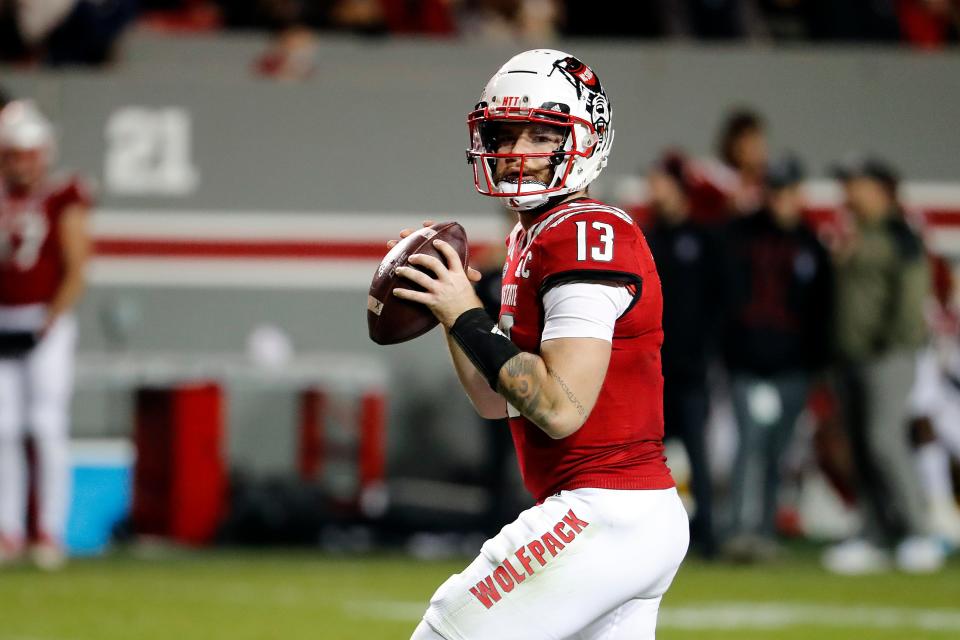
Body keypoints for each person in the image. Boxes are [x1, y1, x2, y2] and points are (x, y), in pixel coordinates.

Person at [388, 49, 688, 640]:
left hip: (606, 510)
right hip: (623, 517)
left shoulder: (585, 234)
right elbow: (495, 399)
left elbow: (556, 407)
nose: (517, 150)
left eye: (540, 134)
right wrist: (452, 309)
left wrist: (468, 316)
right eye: (506, 133)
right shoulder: (538, 234)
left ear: (585, 139)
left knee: (444, 632)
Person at [823, 155, 942, 574]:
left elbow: (912, 298)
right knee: (859, 447)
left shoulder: (899, 235)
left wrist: (891, 343)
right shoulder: (854, 233)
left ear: (880, 190)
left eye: (857, 184)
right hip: (851, 357)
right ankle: (873, 532)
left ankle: (919, 531)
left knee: (883, 440)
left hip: (886, 356)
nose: (848, 193)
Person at [719, 154, 834, 561]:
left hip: (792, 368)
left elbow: (821, 310)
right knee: (747, 448)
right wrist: (732, 353)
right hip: (748, 363)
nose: (782, 198)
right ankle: (737, 531)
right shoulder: (739, 236)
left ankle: (763, 531)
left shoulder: (811, 244)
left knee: (776, 454)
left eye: (788, 190)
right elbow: (726, 300)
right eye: (776, 190)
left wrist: (815, 366)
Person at [0, 101, 92, 570]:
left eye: (27, 152)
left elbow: (77, 264)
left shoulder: (63, 195)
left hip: (44, 321)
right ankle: (8, 530)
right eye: (12, 153)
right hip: (2, 320)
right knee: (3, 429)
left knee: (46, 425)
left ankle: (49, 530)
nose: (21, 162)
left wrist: (48, 321)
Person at [644, 149, 722, 558]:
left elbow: (718, 301)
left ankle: (707, 534)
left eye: (659, 179)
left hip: (690, 368)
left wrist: (705, 351)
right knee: (649, 454)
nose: (653, 188)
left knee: (696, 452)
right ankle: (657, 537)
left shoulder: (703, 239)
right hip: (652, 368)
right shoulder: (646, 236)